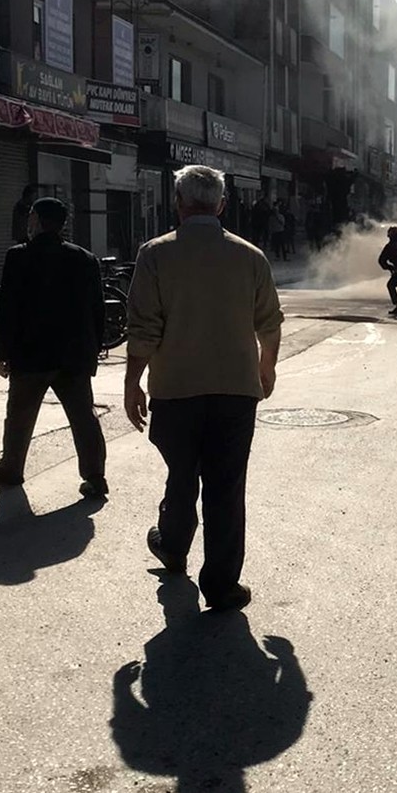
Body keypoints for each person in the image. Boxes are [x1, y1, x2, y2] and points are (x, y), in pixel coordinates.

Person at [123, 165, 283, 611]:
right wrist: (266, 367)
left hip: (175, 391)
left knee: (181, 474)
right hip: (236, 392)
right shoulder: (251, 256)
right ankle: (221, 585)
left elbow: (143, 328)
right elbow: (270, 322)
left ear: (178, 203)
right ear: (222, 205)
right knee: (226, 486)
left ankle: (173, 547)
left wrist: (132, 382)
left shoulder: (155, 254)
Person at [0, 197, 108, 496]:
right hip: (74, 355)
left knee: (19, 416)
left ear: (36, 220)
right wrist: (93, 350)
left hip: (30, 355)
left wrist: (1, 352)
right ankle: (95, 475)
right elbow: (97, 310)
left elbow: (8, 309)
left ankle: (12, 469)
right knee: (83, 417)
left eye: (30, 217)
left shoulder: (19, 256)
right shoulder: (85, 258)